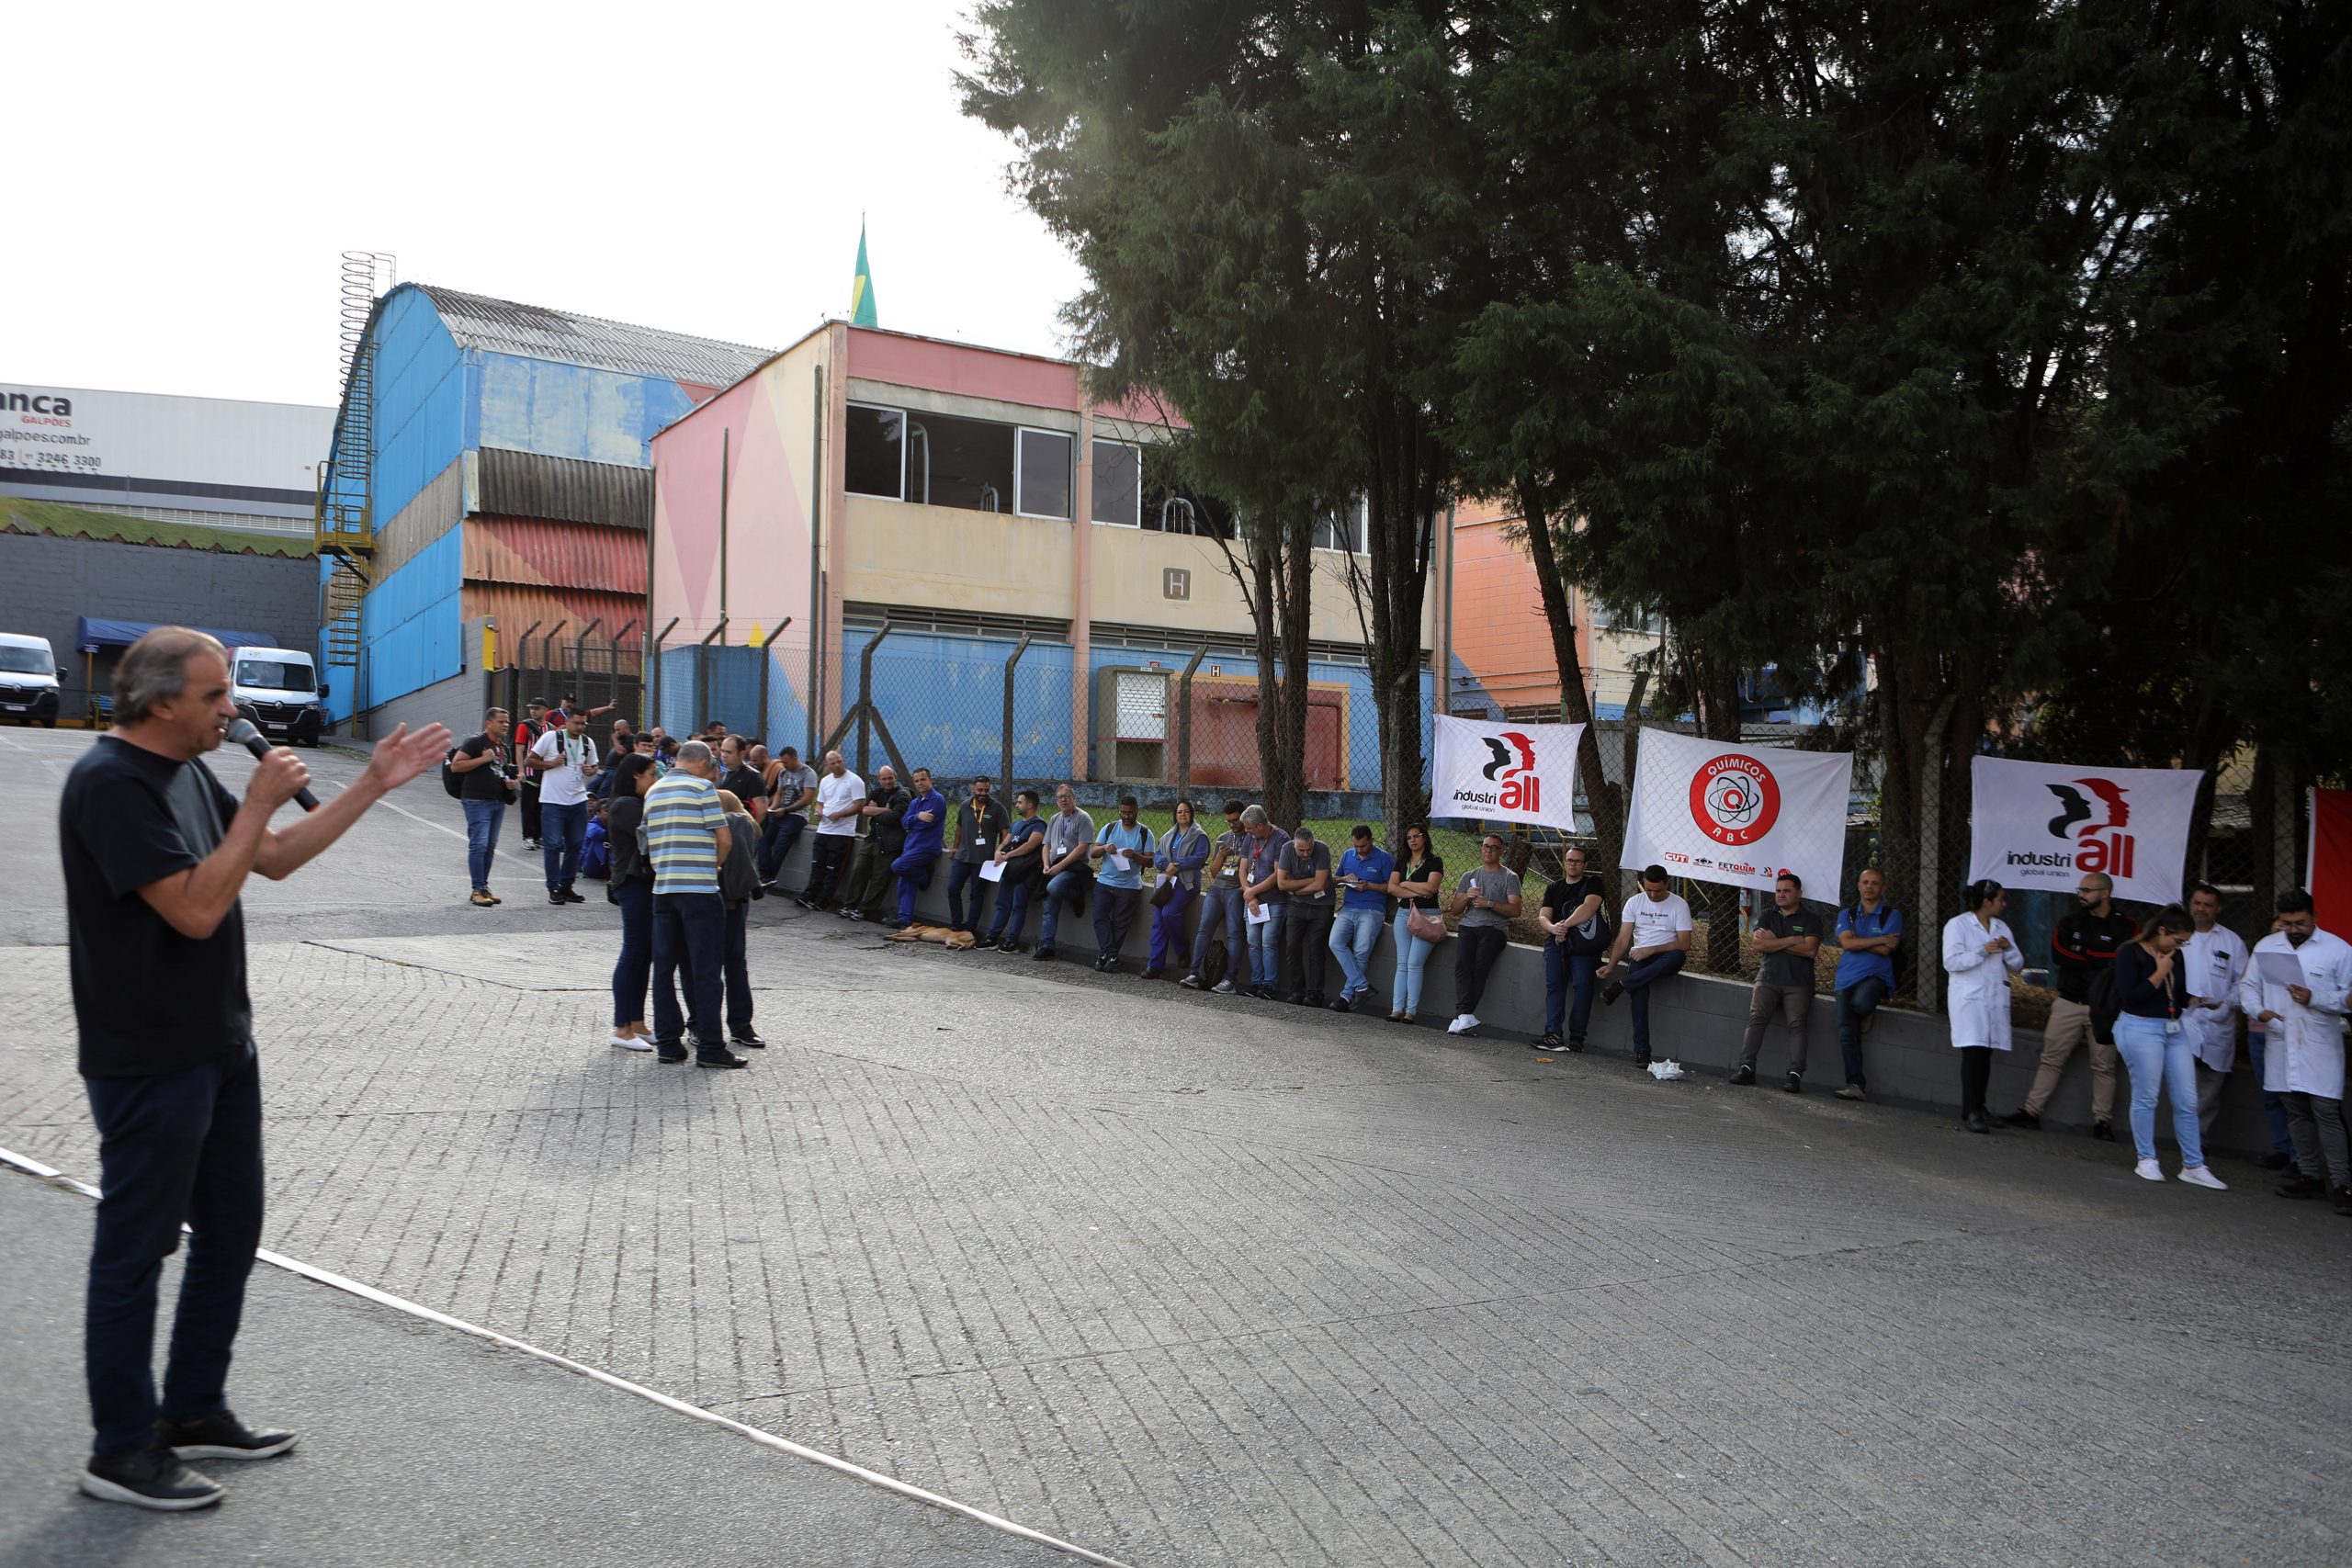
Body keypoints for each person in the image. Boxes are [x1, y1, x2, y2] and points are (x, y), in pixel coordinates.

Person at [58, 626, 448, 1509]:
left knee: (231, 1233)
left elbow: (266, 861)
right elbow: (195, 910)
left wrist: (372, 786)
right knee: (135, 1251)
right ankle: (120, 1448)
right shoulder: (111, 783)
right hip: (148, 1056)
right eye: (215, 695)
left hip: (219, 1043)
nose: (233, 710)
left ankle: (193, 1408)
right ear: (160, 702)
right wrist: (254, 804)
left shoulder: (187, 767)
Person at [2240, 888, 2352, 1213]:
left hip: (2320, 1044)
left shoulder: (2338, 950)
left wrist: (2315, 997)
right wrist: (2258, 1011)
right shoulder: (2267, 946)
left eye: (2300, 922)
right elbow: (2248, 986)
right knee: (2296, 1112)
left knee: (2327, 1114)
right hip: (2281, 1039)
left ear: (2314, 917)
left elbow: (2349, 997)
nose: (2293, 929)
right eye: (2287, 923)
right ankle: (2310, 1176)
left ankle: (2343, 1184)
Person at [2007, 871, 2138, 1138]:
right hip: (2068, 1002)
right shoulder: (2069, 921)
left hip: (2104, 1008)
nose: (2080, 894)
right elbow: (2059, 954)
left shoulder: (2127, 925)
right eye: (2080, 889)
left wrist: (2084, 954)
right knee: (2051, 1059)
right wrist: (2098, 958)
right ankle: (2031, 1112)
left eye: (2087, 890)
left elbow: (2124, 959)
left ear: (2105, 893)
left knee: (2103, 1066)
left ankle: (2102, 1122)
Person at [642, 741, 747, 1068]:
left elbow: (646, 843)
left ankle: (669, 1044)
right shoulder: (703, 789)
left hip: (663, 890)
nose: (714, 774)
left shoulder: (654, 791)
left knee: (663, 971)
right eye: (712, 767)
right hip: (700, 890)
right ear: (701, 762)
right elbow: (725, 839)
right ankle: (711, 1049)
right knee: (705, 971)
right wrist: (714, 866)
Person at [2111, 903, 2227, 1187]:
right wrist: (2160, 971)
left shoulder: (2175, 955)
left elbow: (2177, 993)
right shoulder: (2131, 952)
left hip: (2174, 1027)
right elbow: (2131, 997)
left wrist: (2198, 1000)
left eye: (2185, 943)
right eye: (2177, 941)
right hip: (2140, 1026)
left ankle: (2193, 1164)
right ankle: (2146, 1159)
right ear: (2162, 931)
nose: (2180, 947)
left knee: (2187, 1099)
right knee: (2146, 1095)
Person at [1943, 878, 2025, 1134]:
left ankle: (1981, 1107)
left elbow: (2018, 964)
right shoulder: (1957, 925)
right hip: (1970, 999)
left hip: (1993, 999)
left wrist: (2007, 948)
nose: (2004, 903)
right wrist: (1982, 950)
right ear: (1987, 902)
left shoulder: (2001, 927)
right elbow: (1952, 962)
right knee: (1973, 1054)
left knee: (1986, 1053)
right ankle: (1970, 1111)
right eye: (2000, 898)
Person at [1598, 866, 1694, 1066]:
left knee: (1677, 956)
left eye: (1657, 890)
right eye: (1648, 889)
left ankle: (1623, 983)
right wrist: (1611, 965)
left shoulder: (1679, 904)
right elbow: (1623, 939)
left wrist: (1651, 950)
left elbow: (1684, 943)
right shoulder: (1634, 902)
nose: (1652, 894)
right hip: (1640, 958)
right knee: (1639, 994)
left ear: (1667, 883)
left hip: (1666, 957)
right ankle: (1642, 1050)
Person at [1736, 873, 1822, 1091]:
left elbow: (1810, 950)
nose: (1781, 895)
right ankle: (1747, 1068)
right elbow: (1759, 946)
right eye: (1778, 891)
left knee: (1797, 1025)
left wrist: (1776, 941)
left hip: (1798, 983)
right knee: (1756, 1019)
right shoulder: (1767, 915)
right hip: (1768, 979)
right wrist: (1793, 940)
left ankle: (1795, 1074)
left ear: (1799, 894)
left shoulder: (1811, 919)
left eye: (1787, 891)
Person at [2179, 882, 2250, 1139]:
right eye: (2197, 903)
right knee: (2183, 1082)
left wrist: (2225, 1004)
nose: (2201, 909)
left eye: (2207, 905)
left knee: (2210, 1086)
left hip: (2218, 1022)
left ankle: (2197, 1140)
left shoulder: (2231, 941)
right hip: (2183, 1019)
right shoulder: (2179, 936)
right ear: (2189, 905)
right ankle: (2183, 1137)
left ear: (2218, 909)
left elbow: (2243, 983)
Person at [1832, 869, 1903, 1100]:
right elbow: (1847, 944)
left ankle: (1866, 1011)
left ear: (1883, 888)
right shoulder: (1847, 914)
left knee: (1861, 1004)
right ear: (1858, 885)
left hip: (1876, 977)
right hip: (1846, 978)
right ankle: (1855, 1084)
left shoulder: (1891, 915)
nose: (1869, 887)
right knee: (1846, 1032)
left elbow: (1886, 950)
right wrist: (1881, 937)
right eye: (1865, 882)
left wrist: (1857, 941)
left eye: (1875, 883)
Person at [604, 753, 659, 1052]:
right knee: (633, 952)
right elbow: (654, 836)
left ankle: (636, 1023)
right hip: (632, 883)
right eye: (651, 774)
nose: (655, 780)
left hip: (643, 884)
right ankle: (622, 1028)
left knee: (644, 954)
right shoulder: (627, 805)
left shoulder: (636, 804)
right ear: (636, 775)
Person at [1446, 834, 1521, 1034]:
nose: (1488, 850)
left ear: (1502, 851)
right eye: (1485, 846)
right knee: (1462, 966)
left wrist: (1489, 904)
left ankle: (1462, 1016)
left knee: (1479, 969)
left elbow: (1515, 910)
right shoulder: (1469, 875)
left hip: (1494, 929)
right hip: (1469, 926)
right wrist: (1466, 898)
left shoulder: (1509, 877)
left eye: (1493, 848)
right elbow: (1454, 910)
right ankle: (1465, 1017)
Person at [1534, 846, 1607, 1051]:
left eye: (1577, 861)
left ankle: (1577, 1037)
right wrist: (1554, 929)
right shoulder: (1554, 887)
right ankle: (1553, 1034)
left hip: (1583, 945)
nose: (1572, 864)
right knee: (1555, 987)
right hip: (1556, 942)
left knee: (1583, 986)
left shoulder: (1593, 883)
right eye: (1569, 860)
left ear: (1585, 865)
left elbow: (1590, 907)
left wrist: (1565, 925)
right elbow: (1543, 916)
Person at [528, 708, 600, 907]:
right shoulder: (551, 737)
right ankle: (553, 888)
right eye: (576, 723)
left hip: (578, 801)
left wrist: (590, 770)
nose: (580, 727)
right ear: (567, 722)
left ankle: (567, 885)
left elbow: (594, 766)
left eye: (583, 723)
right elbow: (530, 760)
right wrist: (550, 763)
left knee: (575, 844)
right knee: (552, 845)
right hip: (553, 801)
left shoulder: (588, 742)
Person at [714, 788, 767, 1049]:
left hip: (729, 898)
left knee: (728, 962)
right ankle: (725, 1025)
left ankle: (735, 1024)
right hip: (723, 898)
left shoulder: (728, 807)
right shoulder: (746, 826)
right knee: (722, 964)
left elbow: (752, 831)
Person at [1181, 801, 1250, 993]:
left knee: (1234, 934)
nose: (1232, 824)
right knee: (1204, 930)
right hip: (1217, 888)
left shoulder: (1251, 838)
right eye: (1228, 821)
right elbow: (1213, 871)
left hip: (1236, 890)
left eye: (1236, 820)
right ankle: (1194, 973)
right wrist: (1220, 856)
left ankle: (1230, 980)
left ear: (1244, 817)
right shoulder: (1223, 838)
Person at [448, 705, 514, 908]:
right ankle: (477, 889)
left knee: (490, 847)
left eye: (507, 722)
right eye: (501, 721)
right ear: (488, 723)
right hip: (477, 801)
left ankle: (483, 887)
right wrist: (483, 759)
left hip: (497, 801)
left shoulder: (504, 748)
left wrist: (511, 783)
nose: (505, 725)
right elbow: (456, 765)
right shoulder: (476, 742)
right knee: (479, 844)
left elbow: (501, 772)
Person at [1328, 826, 1395, 1012]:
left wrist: (1369, 886)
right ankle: (1363, 987)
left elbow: (1392, 887)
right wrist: (1343, 879)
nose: (1359, 850)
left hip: (1372, 909)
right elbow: (1333, 879)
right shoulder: (1348, 855)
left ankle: (1346, 996)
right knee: (1335, 943)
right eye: (1356, 846)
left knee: (1361, 951)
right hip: (1348, 907)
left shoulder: (1384, 858)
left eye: (1363, 846)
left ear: (1371, 840)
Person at [1088, 795, 1156, 972]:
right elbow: (1093, 852)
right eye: (1123, 812)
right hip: (1105, 881)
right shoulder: (1109, 828)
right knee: (1099, 917)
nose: (1126, 816)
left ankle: (1106, 956)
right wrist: (1104, 848)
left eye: (1130, 813)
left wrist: (1135, 856)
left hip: (1129, 885)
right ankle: (1110, 955)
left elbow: (1149, 863)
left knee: (1120, 922)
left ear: (1137, 811)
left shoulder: (1145, 833)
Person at [1385, 826, 1445, 1023]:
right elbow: (1392, 888)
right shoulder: (1402, 861)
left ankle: (1410, 1012)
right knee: (1402, 963)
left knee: (1414, 963)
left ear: (1425, 838)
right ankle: (1396, 1010)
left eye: (1416, 836)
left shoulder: (1435, 861)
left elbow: (1432, 888)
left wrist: (1406, 884)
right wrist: (1417, 891)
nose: (1412, 840)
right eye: (1409, 837)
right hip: (1404, 913)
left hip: (1427, 916)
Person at [1147, 799, 1211, 979]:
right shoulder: (1169, 835)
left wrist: (1177, 865)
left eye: (1186, 811)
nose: (1182, 814)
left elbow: (1199, 858)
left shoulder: (1200, 836)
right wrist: (1166, 865)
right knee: (1159, 920)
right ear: (1175, 815)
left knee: (1169, 913)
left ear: (1191, 814)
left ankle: (1182, 949)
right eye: (1179, 812)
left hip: (1187, 883)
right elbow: (1157, 855)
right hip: (1167, 882)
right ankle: (1154, 965)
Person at [978, 788, 1048, 952]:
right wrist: (998, 852)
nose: (1016, 805)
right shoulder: (1016, 824)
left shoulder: (1039, 825)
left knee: (1018, 905)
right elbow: (1005, 842)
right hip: (1009, 870)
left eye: (1020, 802)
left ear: (1030, 805)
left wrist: (1008, 855)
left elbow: (1030, 845)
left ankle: (1012, 941)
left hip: (1025, 871)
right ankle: (992, 937)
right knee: (1002, 904)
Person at [1035, 784, 1096, 963]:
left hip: (1074, 867)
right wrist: (1046, 865)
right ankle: (1047, 946)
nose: (1063, 799)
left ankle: (1076, 894)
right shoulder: (1055, 819)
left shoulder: (1083, 818)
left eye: (1066, 796)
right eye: (1059, 797)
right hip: (1054, 866)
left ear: (1073, 798)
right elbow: (1046, 845)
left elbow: (1083, 847)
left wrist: (1060, 867)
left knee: (1053, 887)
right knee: (1049, 906)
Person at [1274, 827, 1337, 1005]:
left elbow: (1320, 885)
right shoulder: (1286, 849)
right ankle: (1297, 991)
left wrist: (1298, 891)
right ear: (1294, 845)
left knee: (1315, 947)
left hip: (1321, 905)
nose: (1306, 853)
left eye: (1309, 849)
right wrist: (1310, 881)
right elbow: (1282, 883)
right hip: (1297, 906)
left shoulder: (1322, 849)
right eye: (1301, 850)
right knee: (1292, 945)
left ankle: (1315, 993)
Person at [838, 764, 909, 921]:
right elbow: (864, 811)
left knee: (879, 879)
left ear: (895, 777)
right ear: (879, 779)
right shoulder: (876, 792)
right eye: (884, 779)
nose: (888, 782)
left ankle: (863, 909)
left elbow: (895, 818)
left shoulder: (902, 795)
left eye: (890, 778)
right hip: (872, 839)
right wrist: (885, 810)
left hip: (890, 844)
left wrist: (876, 812)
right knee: (858, 870)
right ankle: (850, 905)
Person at [798, 750, 865, 910]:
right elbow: (821, 802)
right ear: (827, 766)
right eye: (833, 763)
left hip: (842, 832)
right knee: (817, 864)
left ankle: (823, 900)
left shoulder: (855, 781)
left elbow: (859, 804)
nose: (837, 766)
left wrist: (840, 814)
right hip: (824, 829)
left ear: (843, 760)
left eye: (839, 762)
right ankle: (809, 895)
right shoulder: (826, 781)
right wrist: (818, 812)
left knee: (833, 869)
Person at [946, 774, 1009, 938]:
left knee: (976, 894)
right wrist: (954, 848)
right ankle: (956, 924)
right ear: (972, 789)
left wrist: (1001, 851)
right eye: (980, 790)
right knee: (953, 889)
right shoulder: (965, 806)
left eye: (987, 790)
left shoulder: (997, 808)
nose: (983, 793)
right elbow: (959, 828)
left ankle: (970, 927)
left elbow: (1005, 833)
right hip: (963, 857)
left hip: (984, 860)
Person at [1238, 806, 1289, 998]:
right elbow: (1243, 869)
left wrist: (1253, 892)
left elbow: (1278, 874)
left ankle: (1269, 984)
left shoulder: (1281, 839)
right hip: (1252, 900)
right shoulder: (1250, 839)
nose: (1247, 831)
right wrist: (1249, 895)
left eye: (1250, 828)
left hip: (1274, 901)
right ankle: (1256, 981)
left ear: (1260, 825)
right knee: (1253, 941)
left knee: (1268, 941)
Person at [890, 766, 950, 929]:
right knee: (905, 881)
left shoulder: (937, 799)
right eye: (916, 781)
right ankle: (905, 918)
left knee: (898, 866)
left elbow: (925, 826)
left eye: (923, 779)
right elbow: (904, 823)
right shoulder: (916, 802)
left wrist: (913, 822)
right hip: (911, 846)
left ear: (930, 780)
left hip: (926, 847)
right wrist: (918, 817)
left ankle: (924, 877)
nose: (920, 783)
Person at [756, 745, 819, 889]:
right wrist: (773, 808)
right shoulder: (783, 773)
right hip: (781, 812)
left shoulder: (808, 773)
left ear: (795, 758)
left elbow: (808, 799)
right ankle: (765, 875)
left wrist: (786, 809)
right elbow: (779, 793)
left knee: (781, 844)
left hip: (797, 815)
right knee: (763, 839)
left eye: (786, 762)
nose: (783, 765)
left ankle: (769, 877)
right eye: (782, 762)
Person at [514, 698, 549, 847]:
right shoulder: (525, 726)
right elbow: (519, 749)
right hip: (529, 773)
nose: (533, 711)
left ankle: (539, 836)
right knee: (529, 805)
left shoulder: (551, 728)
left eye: (537, 708)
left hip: (546, 774)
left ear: (545, 710)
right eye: (531, 708)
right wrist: (521, 771)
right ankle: (528, 836)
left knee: (542, 805)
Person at [718, 736, 763, 820]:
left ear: (741, 754)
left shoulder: (753, 776)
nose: (724, 755)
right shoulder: (720, 776)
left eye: (729, 752)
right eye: (722, 751)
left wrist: (752, 829)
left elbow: (761, 809)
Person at [591, 720, 634, 800]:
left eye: (618, 730)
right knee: (591, 788)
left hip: (616, 770)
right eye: (615, 730)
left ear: (625, 728)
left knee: (602, 793)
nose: (616, 732)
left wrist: (614, 739)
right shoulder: (621, 740)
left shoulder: (631, 739)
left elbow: (621, 752)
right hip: (607, 770)